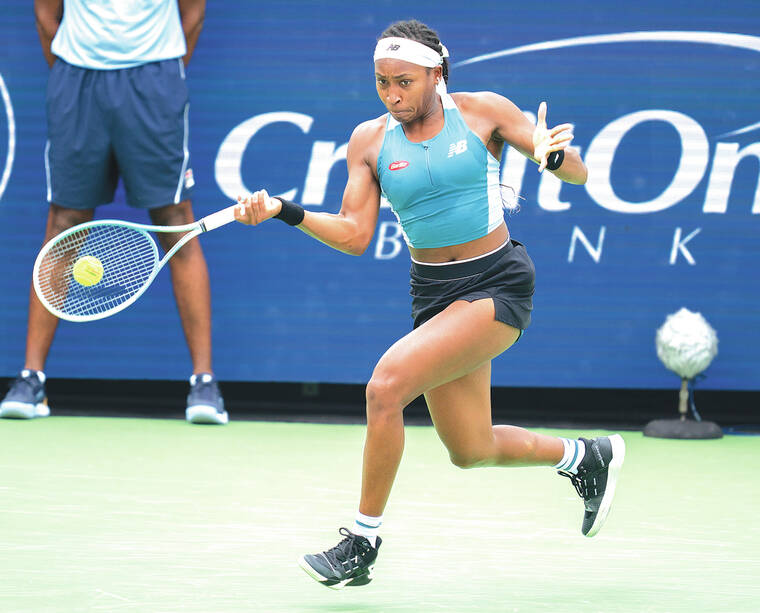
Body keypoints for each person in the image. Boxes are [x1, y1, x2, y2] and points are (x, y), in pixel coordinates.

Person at [235, 19, 625, 588]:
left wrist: (551, 157)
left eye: (404, 82)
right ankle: (584, 458)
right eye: (381, 83)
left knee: (386, 386)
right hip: (434, 294)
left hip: (497, 283)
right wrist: (284, 212)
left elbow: (581, 175)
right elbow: (353, 234)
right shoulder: (369, 142)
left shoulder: (483, 111)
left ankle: (361, 541)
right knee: (470, 448)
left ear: (435, 74)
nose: (392, 95)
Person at [0, 0, 227, 425]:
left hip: (155, 78)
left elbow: (192, 13)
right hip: (76, 79)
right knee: (64, 222)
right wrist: (77, 67)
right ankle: (30, 380)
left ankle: (203, 382)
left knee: (177, 223)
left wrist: (160, 73)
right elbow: (46, 15)